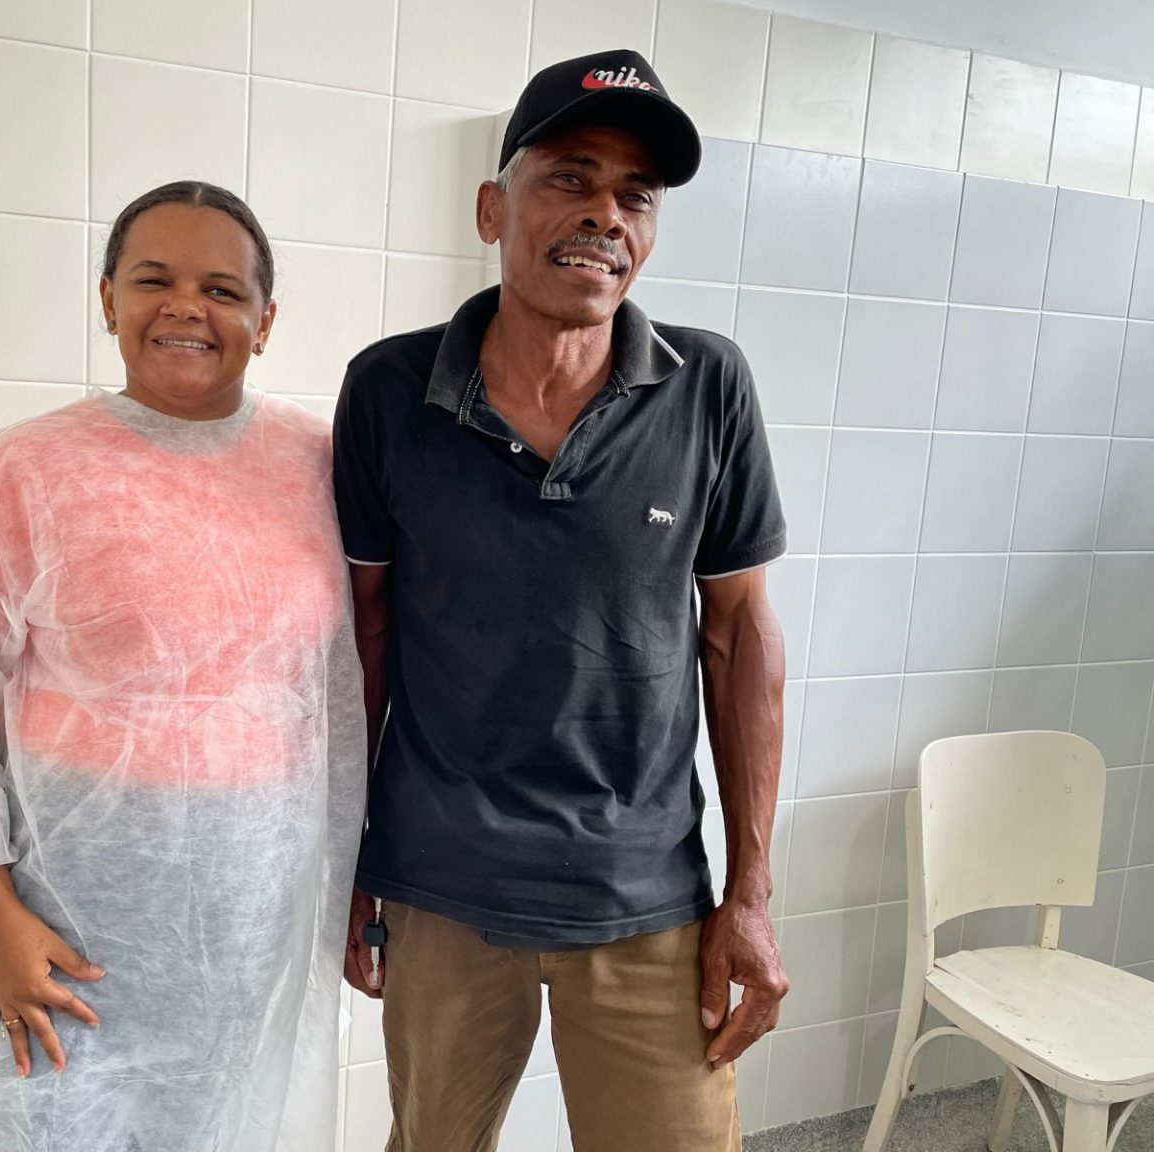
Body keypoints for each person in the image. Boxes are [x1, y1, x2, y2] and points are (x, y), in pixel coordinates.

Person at [332, 50, 789, 1152]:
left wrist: (751, 893)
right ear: (493, 207)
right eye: (571, 178)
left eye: (637, 195)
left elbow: (738, 638)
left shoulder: (708, 387)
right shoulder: (389, 391)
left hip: (646, 896)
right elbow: (360, 640)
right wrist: (345, 860)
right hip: (441, 885)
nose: (606, 215)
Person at [0, 181, 366, 1152]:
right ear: (108, 300)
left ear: (265, 321)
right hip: (56, 948)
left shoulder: (322, 466)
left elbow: (339, 706)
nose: (187, 307)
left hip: (253, 952)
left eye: (222, 290)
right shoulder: (25, 470)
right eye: (154, 280)